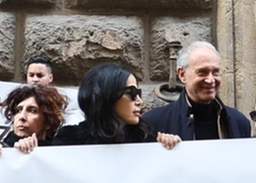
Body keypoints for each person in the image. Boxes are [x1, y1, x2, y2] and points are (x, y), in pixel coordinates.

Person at [52, 63, 180, 149]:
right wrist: (32, 149)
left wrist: (168, 146)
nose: (139, 101)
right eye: (131, 93)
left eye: (138, 93)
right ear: (108, 96)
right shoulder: (70, 140)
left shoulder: (145, 137)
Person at [142, 41, 252, 140]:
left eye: (215, 72)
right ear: (182, 74)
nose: (210, 80)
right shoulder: (154, 123)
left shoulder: (239, 122)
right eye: (202, 72)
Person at [0, 83, 67, 152]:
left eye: (32, 111)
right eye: (18, 110)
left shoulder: (59, 155)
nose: (22, 117)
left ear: (48, 121)